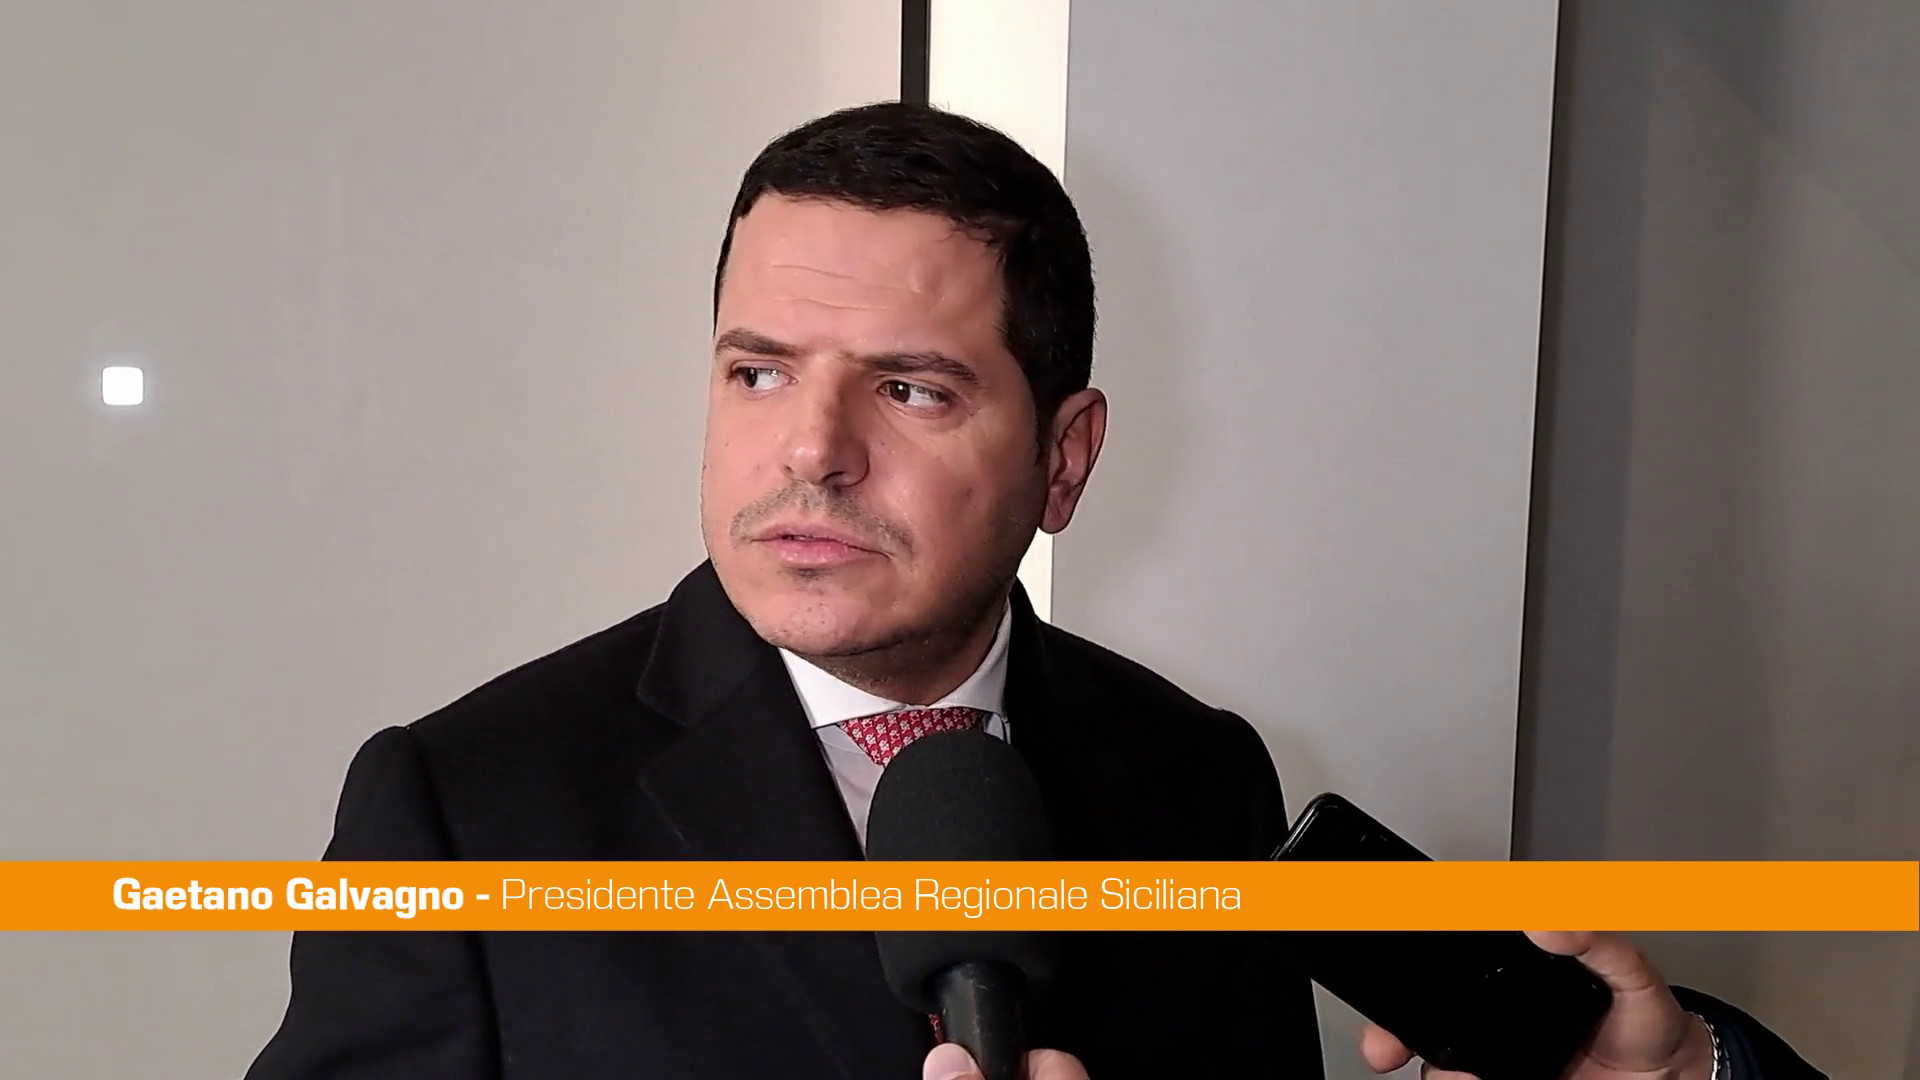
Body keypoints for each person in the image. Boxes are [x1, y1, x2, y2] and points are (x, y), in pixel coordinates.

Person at [246, 102, 1820, 1080]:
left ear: (1064, 461)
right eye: (757, 372)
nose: (811, 449)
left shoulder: (1195, 774)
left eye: (911, 390)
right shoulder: (462, 809)